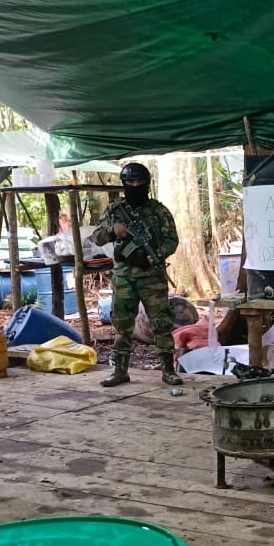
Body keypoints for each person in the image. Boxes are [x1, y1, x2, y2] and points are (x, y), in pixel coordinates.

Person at [92, 162, 183, 387]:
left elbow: (172, 239)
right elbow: (97, 237)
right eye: (130, 182)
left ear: (147, 183)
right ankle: (120, 370)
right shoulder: (115, 210)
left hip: (152, 276)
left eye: (138, 182)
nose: (134, 186)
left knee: (161, 322)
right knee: (122, 324)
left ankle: (168, 370)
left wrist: (157, 254)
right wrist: (115, 230)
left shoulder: (158, 210)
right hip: (124, 277)